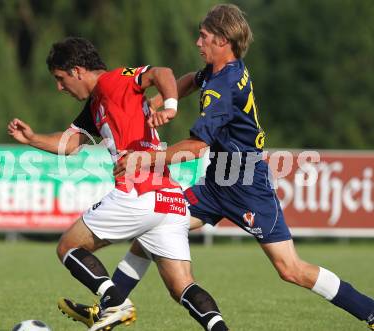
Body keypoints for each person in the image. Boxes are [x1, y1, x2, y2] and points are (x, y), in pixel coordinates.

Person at [71, 4, 374, 329]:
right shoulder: (219, 71)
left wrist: (145, 158)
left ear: (223, 40)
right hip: (218, 183)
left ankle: (369, 310)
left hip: (247, 187)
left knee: (291, 269)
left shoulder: (223, 88)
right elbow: (189, 80)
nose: (197, 42)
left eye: (203, 36)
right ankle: (111, 307)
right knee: (150, 232)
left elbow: (195, 148)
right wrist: (158, 103)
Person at [8, 37, 230, 331]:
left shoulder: (115, 81)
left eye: (60, 79)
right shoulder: (97, 102)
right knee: (182, 287)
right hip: (170, 199)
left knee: (68, 248)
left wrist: (172, 106)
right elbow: (71, 144)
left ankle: (115, 302)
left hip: (138, 192)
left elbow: (160, 72)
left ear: (77, 71)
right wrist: (33, 139)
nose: (59, 87)